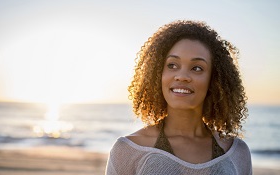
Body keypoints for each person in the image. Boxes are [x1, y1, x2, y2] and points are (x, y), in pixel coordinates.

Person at [105, 20, 252, 175]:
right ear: (158, 74)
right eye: (172, 65)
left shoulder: (237, 152)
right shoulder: (128, 150)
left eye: (197, 68)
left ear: (214, 80)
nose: (182, 76)